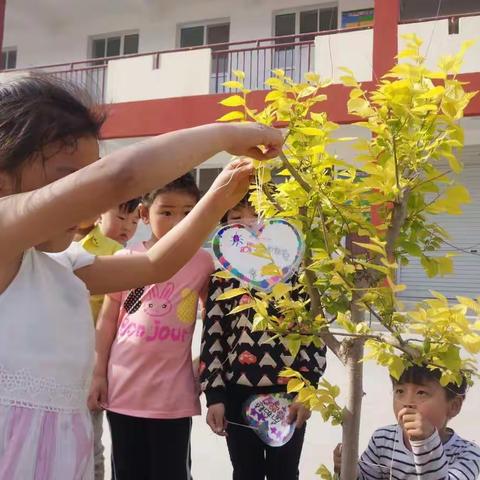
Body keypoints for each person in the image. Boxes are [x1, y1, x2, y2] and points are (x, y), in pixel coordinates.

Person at [0, 75, 283, 479]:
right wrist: (227, 134)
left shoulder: (61, 268)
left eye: (87, 178)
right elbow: (120, 178)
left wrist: (220, 195)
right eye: (68, 180)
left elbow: (155, 266)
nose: (85, 199)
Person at [89, 173, 214, 480]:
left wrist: (203, 367)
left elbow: (215, 323)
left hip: (173, 397)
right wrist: (98, 373)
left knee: (171, 472)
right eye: (167, 211)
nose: (178, 221)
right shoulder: (127, 257)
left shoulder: (203, 263)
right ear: (144, 214)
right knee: (128, 471)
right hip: (123, 390)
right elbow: (107, 320)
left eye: (188, 213)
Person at [199, 195, 327, 480]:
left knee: (285, 473)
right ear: (224, 229)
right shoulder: (221, 281)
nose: (248, 224)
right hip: (237, 395)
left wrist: (305, 392)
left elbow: (313, 337)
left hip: (289, 396)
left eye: (256, 215)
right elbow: (213, 339)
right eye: (236, 218)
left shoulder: (298, 279)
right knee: (245, 472)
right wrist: (215, 396)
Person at [79, 198, 140, 480]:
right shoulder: (73, 246)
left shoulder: (118, 256)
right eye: (120, 217)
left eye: (133, 221)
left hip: (92, 364)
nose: (126, 227)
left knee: (90, 441)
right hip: (68, 356)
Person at [333, 364, 480, 479]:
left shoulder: (468, 454)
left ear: (454, 406)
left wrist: (426, 442)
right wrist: (348, 468)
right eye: (400, 391)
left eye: (421, 393)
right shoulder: (382, 439)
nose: (407, 403)